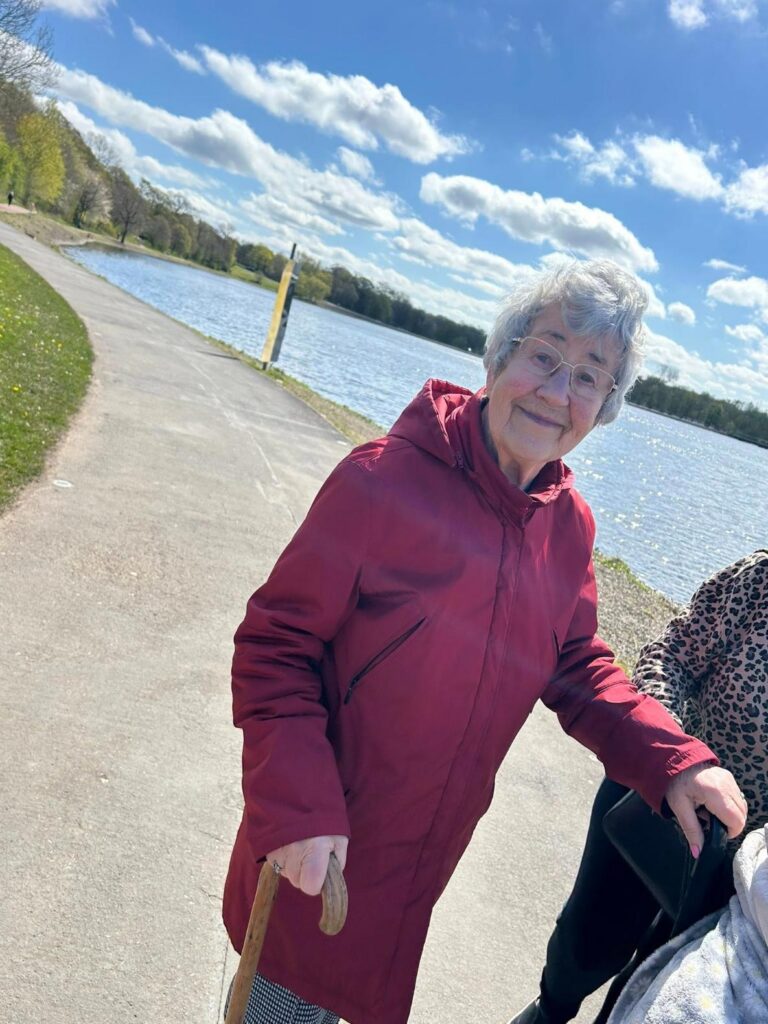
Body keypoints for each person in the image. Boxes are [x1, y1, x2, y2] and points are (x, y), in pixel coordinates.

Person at [223, 259, 747, 1024]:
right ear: (501, 356)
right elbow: (276, 647)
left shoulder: (569, 529)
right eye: (545, 355)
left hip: (414, 868)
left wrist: (675, 760)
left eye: (590, 377)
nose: (557, 391)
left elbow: (576, 668)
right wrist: (298, 806)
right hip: (314, 850)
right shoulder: (382, 481)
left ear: (603, 409)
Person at [510, 550, 768, 1024]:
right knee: (586, 942)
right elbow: (671, 655)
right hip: (656, 800)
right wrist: (671, 755)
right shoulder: (759, 581)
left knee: (663, 985)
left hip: (744, 878)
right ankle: (549, 1011)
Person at [607, 820, 768, 1024]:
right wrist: (664, 786)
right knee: (594, 952)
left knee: (652, 955)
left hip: (731, 887)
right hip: (692, 823)